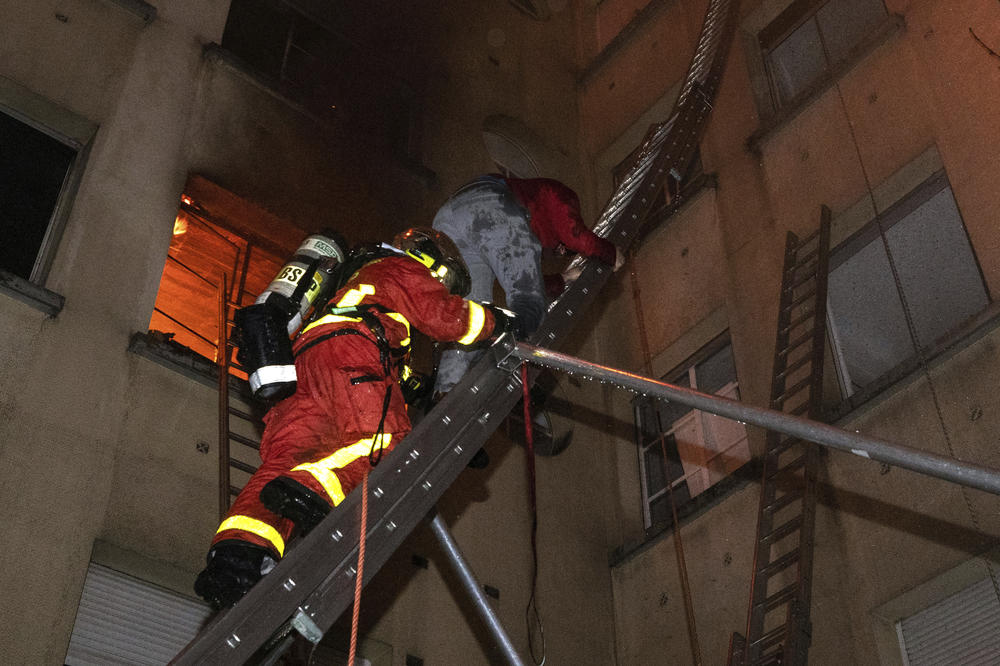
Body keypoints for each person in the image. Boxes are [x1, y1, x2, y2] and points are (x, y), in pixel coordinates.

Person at [195, 227, 515, 610]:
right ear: (427, 257)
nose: (441, 285)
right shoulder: (403, 267)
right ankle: (312, 486)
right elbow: (446, 318)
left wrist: (414, 387)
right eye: (444, 278)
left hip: (303, 370)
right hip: (351, 355)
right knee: (387, 446)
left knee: (284, 462)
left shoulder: (358, 284)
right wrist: (497, 321)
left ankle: (237, 557)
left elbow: (382, 355)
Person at [430, 174, 624, 396]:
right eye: (562, 248)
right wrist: (610, 253)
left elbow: (526, 278)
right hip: (489, 204)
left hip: (448, 222)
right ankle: (510, 356)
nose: (561, 251)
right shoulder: (558, 194)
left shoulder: (504, 234)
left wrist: (564, 278)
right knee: (529, 306)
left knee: (468, 316)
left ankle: (446, 389)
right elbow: (574, 234)